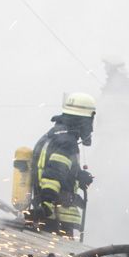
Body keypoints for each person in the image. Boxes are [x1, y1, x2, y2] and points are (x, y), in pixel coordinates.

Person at [29, 93, 97, 238]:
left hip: (45, 214)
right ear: (84, 120)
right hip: (56, 218)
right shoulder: (67, 143)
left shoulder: (52, 136)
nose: (91, 128)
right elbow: (53, 174)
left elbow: (59, 168)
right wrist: (46, 205)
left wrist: (78, 176)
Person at [96, 56, 129, 141]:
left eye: (107, 65)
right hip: (108, 129)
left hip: (116, 131)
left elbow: (121, 106)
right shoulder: (112, 82)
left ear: (113, 67)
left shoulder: (123, 83)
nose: (105, 68)